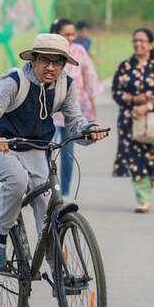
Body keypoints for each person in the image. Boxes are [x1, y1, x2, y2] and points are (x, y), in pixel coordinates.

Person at [0, 33, 108, 271]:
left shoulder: (66, 85)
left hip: (37, 150)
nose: (51, 67)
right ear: (33, 60)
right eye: (45, 60)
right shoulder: (13, 82)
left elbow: (74, 122)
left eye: (57, 62)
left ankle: (58, 268)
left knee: (48, 206)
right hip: (1, 148)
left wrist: (90, 130)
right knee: (17, 180)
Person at [111, 28, 154, 213]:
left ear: (150, 44)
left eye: (142, 41)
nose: (138, 44)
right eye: (135, 40)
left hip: (153, 120)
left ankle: (147, 189)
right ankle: (143, 199)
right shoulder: (125, 66)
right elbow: (116, 92)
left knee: (153, 160)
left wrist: (147, 106)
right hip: (129, 120)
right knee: (135, 160)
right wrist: (134, 100)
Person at [50, 18, 104, 196]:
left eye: (73, 34)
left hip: (72, 111)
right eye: (67, 34)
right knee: (44, 151)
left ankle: (63, 193)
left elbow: (89, 77)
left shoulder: (79, 51)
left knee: (67, 152)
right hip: (48, 111)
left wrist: (92, 105)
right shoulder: (48, 52)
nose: (71, 37)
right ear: (57, 33)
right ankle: (42, 190)